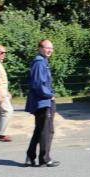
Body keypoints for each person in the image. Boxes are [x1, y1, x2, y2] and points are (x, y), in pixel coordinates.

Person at [25, 39, 59, 167]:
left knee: (39, 130)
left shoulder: (41, 61)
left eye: (51, 48)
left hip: (41, 101)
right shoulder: (39, 62)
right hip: (43, 102)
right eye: (47, 48)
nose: (50, 50)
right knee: (47, 131)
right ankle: (44, 159)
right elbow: (39, 84)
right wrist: (50, 95)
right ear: (40, 48)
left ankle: (30, 156)